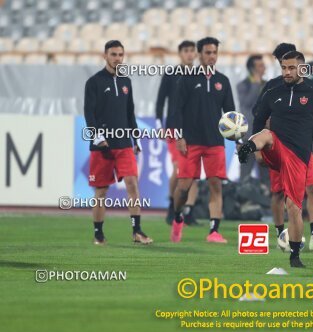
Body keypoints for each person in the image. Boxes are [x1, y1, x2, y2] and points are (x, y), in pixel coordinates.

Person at [238, 51, 313, 267]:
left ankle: (295, 254)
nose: (287, 72)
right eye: (284, 68)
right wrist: (256, 149)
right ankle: (247, 149)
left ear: (302, 69)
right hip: (276, 146)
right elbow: (258, 123)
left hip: (298, 157)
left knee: (293, 206)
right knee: (267, 135)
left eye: (291, 68)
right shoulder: (272, 93)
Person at [253, 43, 313, 251]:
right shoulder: (271, 87)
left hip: (303, 149)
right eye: (282, 64)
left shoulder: (310, 88)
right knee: (279, 194)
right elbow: (257, 114)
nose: (286, 68)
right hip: (279, 149)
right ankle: (281, 235)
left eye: (289, 64)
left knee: (312, 187)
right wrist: (262, 146)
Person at [84, 40, 153, 245]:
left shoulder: (126, 82)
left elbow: (129, 113)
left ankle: (137, 231)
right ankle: (98, 233)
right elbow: (89, 112)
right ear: (105, 56)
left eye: (121, 55)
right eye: (113, 54)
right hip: (102, 146)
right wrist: (97, 136)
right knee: (102, 190)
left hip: (123, 144)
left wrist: (136, 138)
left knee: (132, 183)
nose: (117, 58)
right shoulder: (94, 82)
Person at [171, 37, 235, 243]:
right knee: (184, 187)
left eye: (214, 53)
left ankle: (214, 231)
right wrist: (179, 136)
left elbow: (230, 114)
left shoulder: (223, 81)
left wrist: (238, 138)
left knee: (216, 185)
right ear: (199, 54)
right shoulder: (186, 79)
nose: (211, 56)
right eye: (207, 53)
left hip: (215, 141)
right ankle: (178, 216)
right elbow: (176, 111)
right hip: (190, 141)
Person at [155, 40, 199, 227]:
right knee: (179, 169)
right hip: (174, 128)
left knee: (194, 173)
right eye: (186, 51)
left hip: (195, 129)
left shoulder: (200, 75)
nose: (190, 54)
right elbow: (160, 101)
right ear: (180, 54)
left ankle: (188, 211)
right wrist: (159, 124)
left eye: (192, 51)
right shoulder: (171, 74)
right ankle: (172, 207)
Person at [236, 54, 267, 181]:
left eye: (263, 65)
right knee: (245, 172)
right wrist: (256, 83)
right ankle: (243, 199)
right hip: (248, 135)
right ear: (252, 69)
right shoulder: (242, 85)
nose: (264, 67)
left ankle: (266, 199)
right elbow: (246, 104)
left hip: (265, 136)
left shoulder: (268, 85)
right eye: (260, 66)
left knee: (266, 173)